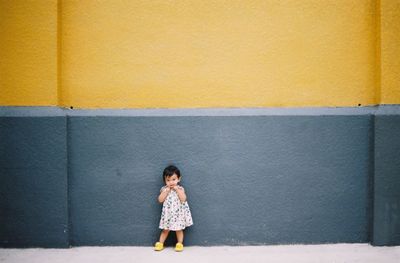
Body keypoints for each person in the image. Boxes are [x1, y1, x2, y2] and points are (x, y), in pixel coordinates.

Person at [154, 165, 193, 252]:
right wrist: (166, 191)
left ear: (179, 179)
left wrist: (177, 190)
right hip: (168, 214)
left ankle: (179, 243)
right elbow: (160, 200)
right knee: (165, 230)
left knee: (178, 230)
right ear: (164, 180)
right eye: (168, 180)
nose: (171, 182)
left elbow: (183, 199)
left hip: (178, 214)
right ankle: (160, 243)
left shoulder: (180, 189)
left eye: (173, 179)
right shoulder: (164, 189)